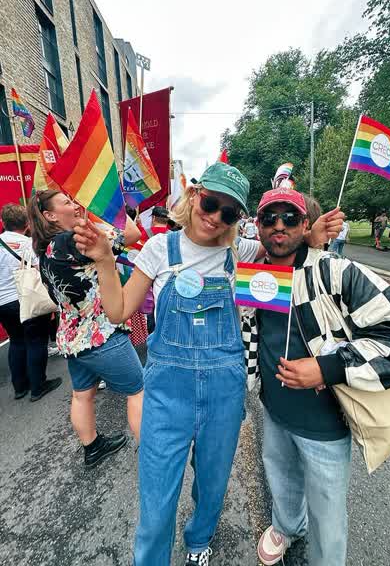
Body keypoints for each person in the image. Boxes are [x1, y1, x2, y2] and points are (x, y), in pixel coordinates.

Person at [73, 164, 345, 566]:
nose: (215, 217)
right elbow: (118, 310)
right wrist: (103, 260)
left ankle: (199, 540)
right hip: (166, 396)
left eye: (229, 212)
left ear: (238, 219)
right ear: (194, 194)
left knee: (213, 484)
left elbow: (284, 248)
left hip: (223, 395)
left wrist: (312, 237)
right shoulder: (159, 248)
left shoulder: (241, 252)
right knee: (156, 498)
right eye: (211, 203)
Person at [253, 188, 390, 566]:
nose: (279, 226)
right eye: (269, 218)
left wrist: (327, 368)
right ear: (258, 225)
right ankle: (286, 526)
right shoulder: (253, 273)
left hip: (325, 424)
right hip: (274, 409)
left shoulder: (336, 271)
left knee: (328, 519)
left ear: (305, 224)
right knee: (281, 481)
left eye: (289, 218)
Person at [28, 190, 144, 468]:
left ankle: (92, 447)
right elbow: (132, 233)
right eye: (67, 202)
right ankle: (154, 456)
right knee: (139, 391)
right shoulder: (75, 240)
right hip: (101, 333)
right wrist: (99, 203)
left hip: (72, 336)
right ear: (50, 215)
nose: (75, 204)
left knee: (82, 395)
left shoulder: (46, 249)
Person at [0, 203, 62, 401]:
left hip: (3, 302)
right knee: (36, 341)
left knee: (16, 341)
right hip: (26, 298)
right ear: (27, 223)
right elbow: (41, 269)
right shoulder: (29, 244)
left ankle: (20, 387)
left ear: (3, 222)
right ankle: (38, 386)